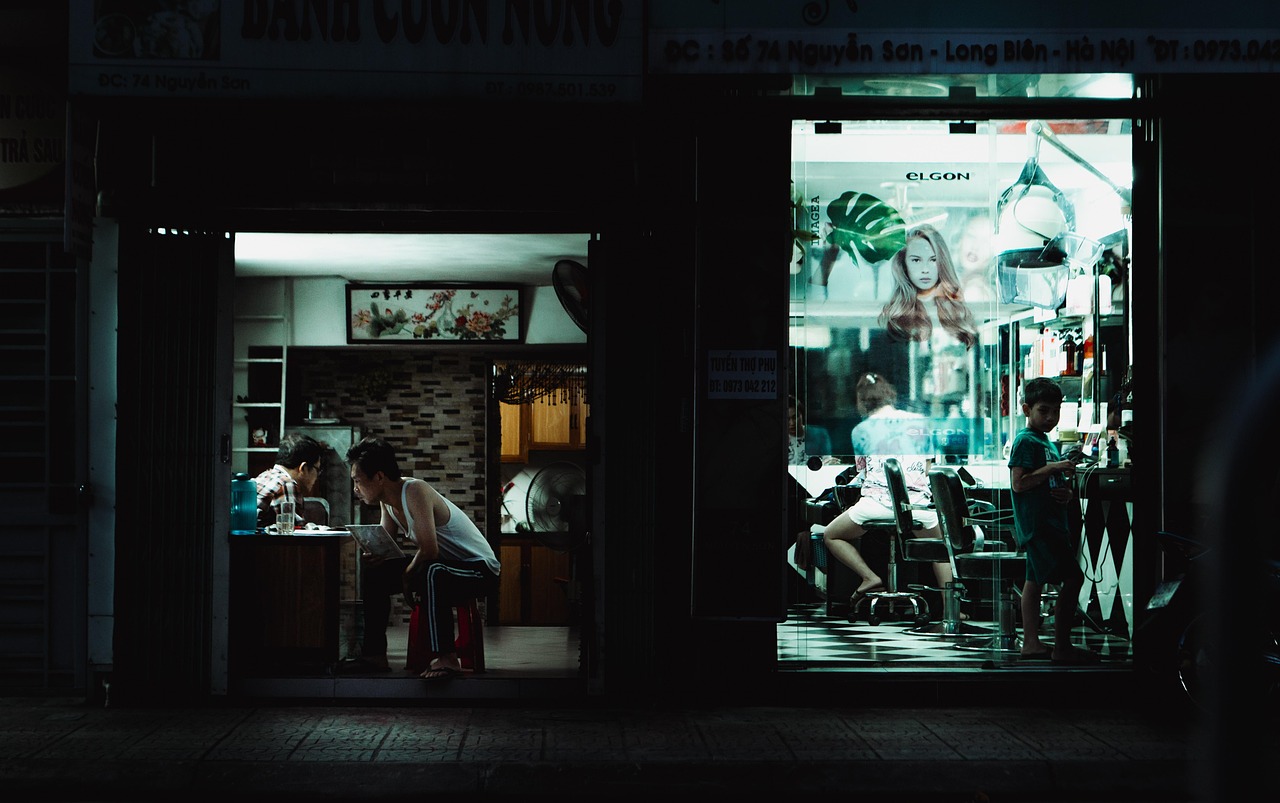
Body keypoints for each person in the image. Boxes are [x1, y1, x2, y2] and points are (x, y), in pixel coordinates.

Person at [343, 436, 500, 680]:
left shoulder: (415, 490)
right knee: (377, 572)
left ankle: (448, 659)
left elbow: (429, 550)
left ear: (379, 477)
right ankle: (374, 654)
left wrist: (406, 578)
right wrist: (376, 556)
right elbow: (388, 548)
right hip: (443, 567)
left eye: (357, 481)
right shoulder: (387, 503)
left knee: (432, 570)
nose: (355, 490)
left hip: (480, 571)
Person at [821, 372, 957, 617]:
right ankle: (951, 612)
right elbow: (929, 466)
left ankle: (870, 577)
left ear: (862, 401)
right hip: (916, 506)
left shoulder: (861, 430)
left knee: (831, 535)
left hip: (876, 505)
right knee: (941, 550)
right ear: (890, 395)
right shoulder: (919, 421)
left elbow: (861, 471)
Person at [1007, 377, 1098, 664]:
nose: (1050, 418)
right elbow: (1019, 484)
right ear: (1026, 409)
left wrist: (1066, 492)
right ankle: (1061, 647)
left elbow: (1045, 482)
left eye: (1055, 411)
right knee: (1073, 578)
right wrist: (1052, 467)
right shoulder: (1025, 441)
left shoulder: (1045, 442)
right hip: (1039, 526)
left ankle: (1032, 644)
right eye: (1043, 411)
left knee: (1033, 583)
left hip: (1049, 522)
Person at [879, 224, 978, 349]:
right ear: (903, 264)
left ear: (942, 262)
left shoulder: (959, 312)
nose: (925, 269)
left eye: (933, 260)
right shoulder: (893, 318)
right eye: (916, 260)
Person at [253, 432, 325, 528]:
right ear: (303, 468)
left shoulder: (264, 476)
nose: (317, 478)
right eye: (317, 470)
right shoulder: (286, 484)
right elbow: (294, 531)